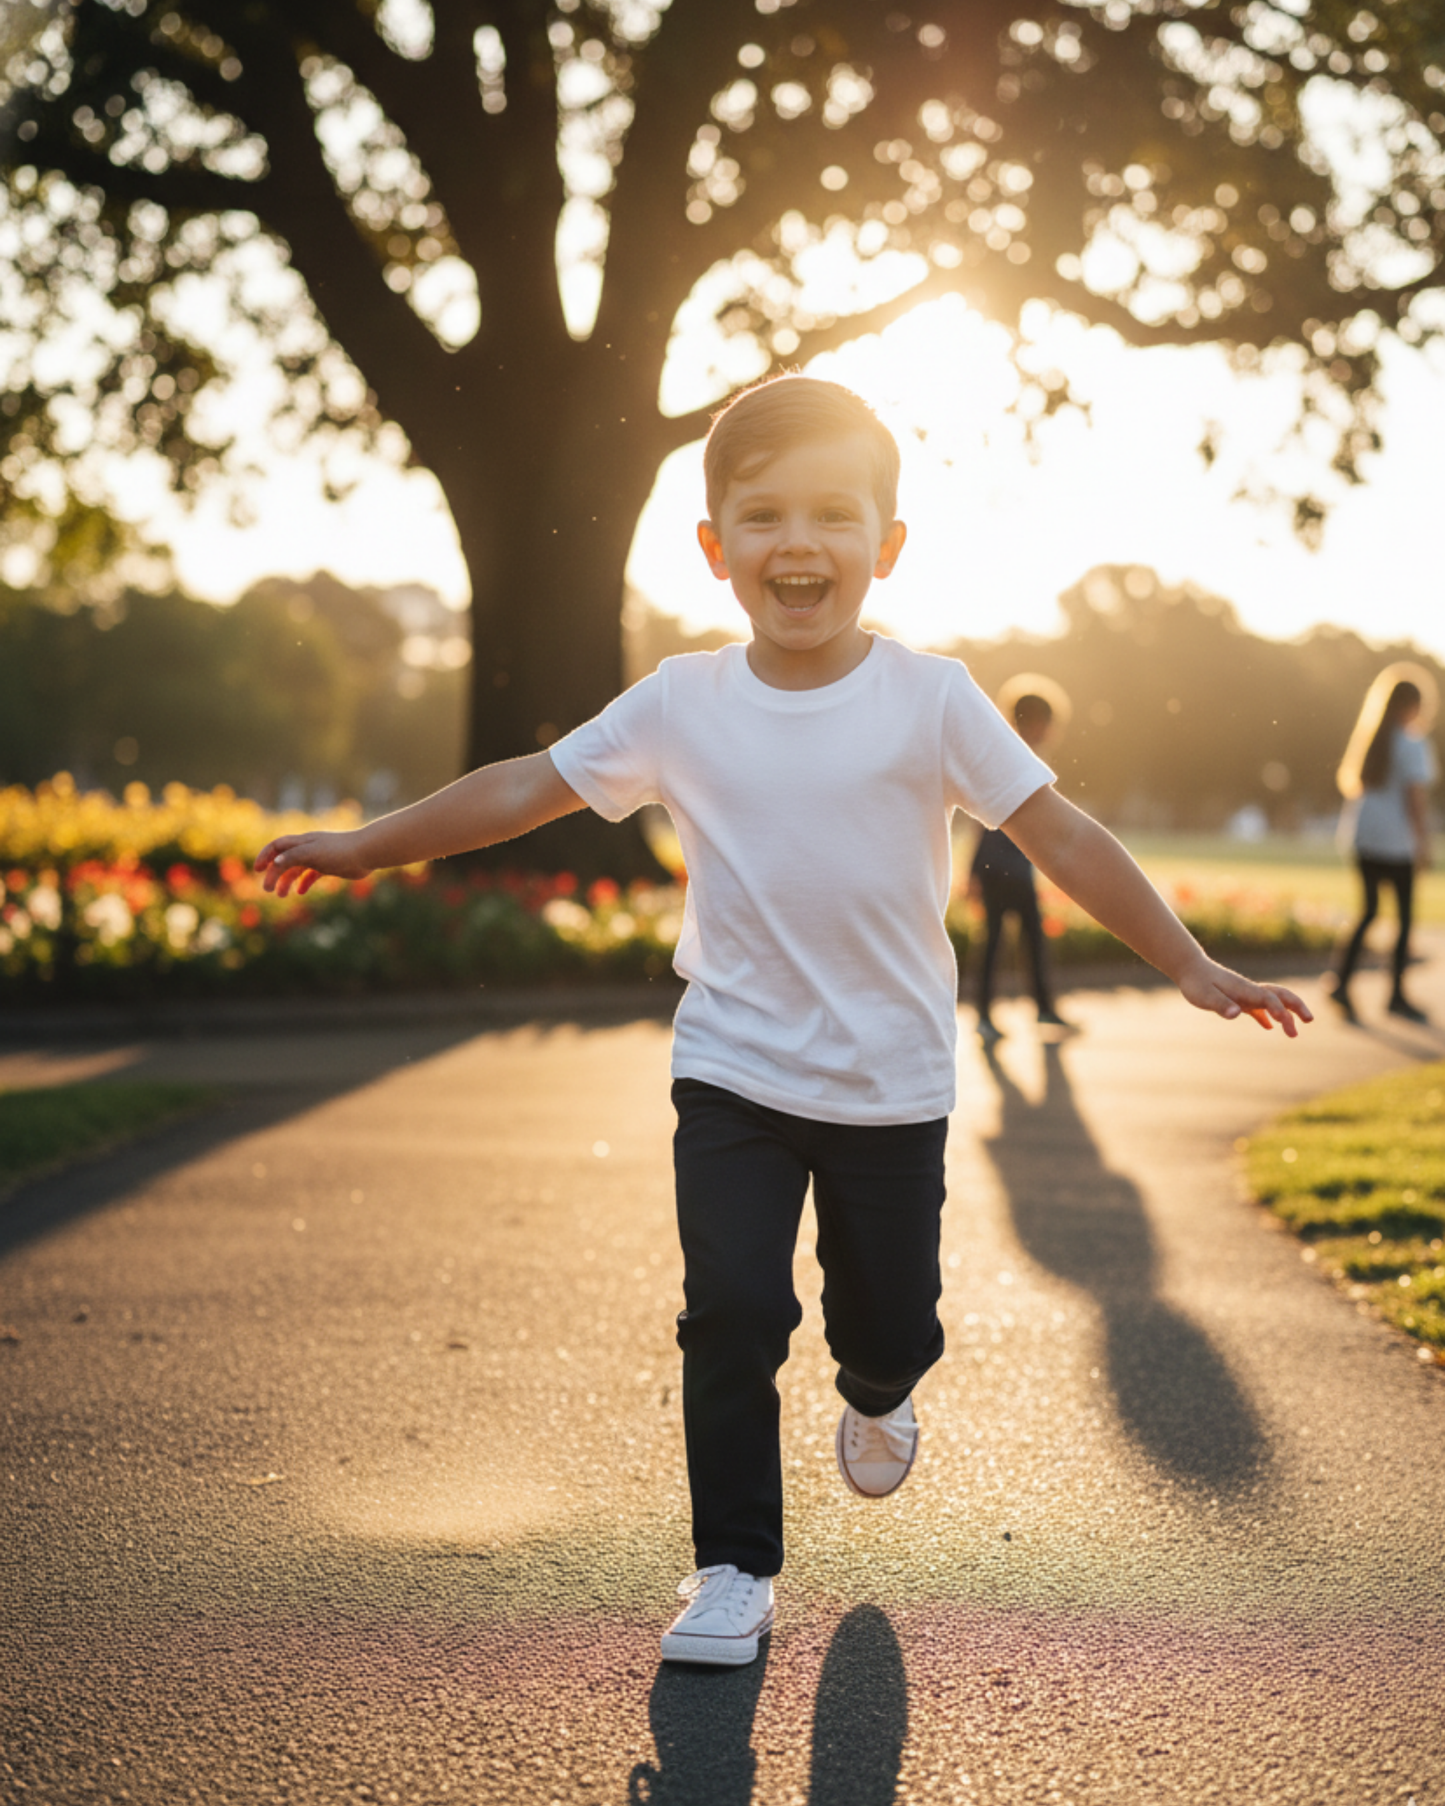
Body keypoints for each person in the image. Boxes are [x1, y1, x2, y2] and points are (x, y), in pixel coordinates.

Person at [255, 375, 1311, 1669]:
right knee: (734, 1307)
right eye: (760, 517)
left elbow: (1060, 834)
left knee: (891, 1321)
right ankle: (731, 1569)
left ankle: (877, 1389)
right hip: (734, 1070)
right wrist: (369, 845)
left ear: (887, 545)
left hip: (891, 1084)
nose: (796, 544)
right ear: (714, 550)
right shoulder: (680, 702)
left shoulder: (931, 698)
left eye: (830, 516)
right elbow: (528, 785)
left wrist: (1191, 963)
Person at [1328, 662, 1438, 1024]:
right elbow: (1414, 799)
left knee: (1370, 911)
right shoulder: (1411, 742)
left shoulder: (1373, 738)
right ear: (1412, 706)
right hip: (1395, 843)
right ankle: (1396, 995)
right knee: (1403, 919)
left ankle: (1341, 981)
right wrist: (1423, 842)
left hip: (1363, 837)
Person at [968, 675, 1073, 1044]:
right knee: (1004, 942)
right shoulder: (1014, 756)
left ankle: (1026, 1012)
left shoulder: (1011, 752)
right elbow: (986, 821)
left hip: (1007, 867)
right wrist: (974, 873)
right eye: (1046, 722)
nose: (1049, 731)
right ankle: (995, 1015)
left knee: (1013, 941)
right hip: (1004, 869)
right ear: (1032, 722)